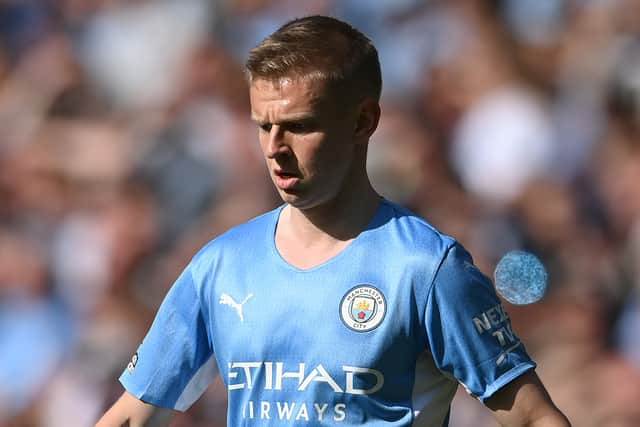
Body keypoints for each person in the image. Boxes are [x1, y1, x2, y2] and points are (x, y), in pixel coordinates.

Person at [96, 15, 571, 427]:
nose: (275, 148)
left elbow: (533, 416)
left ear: (363, 121)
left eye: (300, 125)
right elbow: (134, 415)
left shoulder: (425, 268)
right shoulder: (221, 265)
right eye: (264, 125)